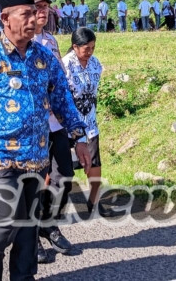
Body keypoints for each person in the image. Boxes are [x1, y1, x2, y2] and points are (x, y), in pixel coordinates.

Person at [0, 0, 88, 281]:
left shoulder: (45, 58)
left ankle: (23, 277)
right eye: (26, 13)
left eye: (35, 13)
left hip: (36, 155)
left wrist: (79, 137)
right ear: (5, 18)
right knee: (6, 221)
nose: (34, 18)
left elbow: (62, 100)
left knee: (29, 223)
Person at [31, 0, 77, 262]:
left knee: (64, 177)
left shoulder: (50, 41)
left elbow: (61, 79)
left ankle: (48, 222)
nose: (43, 11)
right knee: (33, 181)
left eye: (46, 6)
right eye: (37, 6)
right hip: (31, 125)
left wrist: (71, 121)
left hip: (55, 121)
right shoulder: (17, 44)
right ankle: (31, 234)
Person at [61, 27, 111, 216]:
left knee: (95, 165)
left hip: (89, 122)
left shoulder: (95, 63)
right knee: (60, 170)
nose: (89, 52)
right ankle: (48, 204)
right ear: (75, 47)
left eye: (92, 47)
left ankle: (94, 202)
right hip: (67, 125)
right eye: (86, 48)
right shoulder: (65, 65)